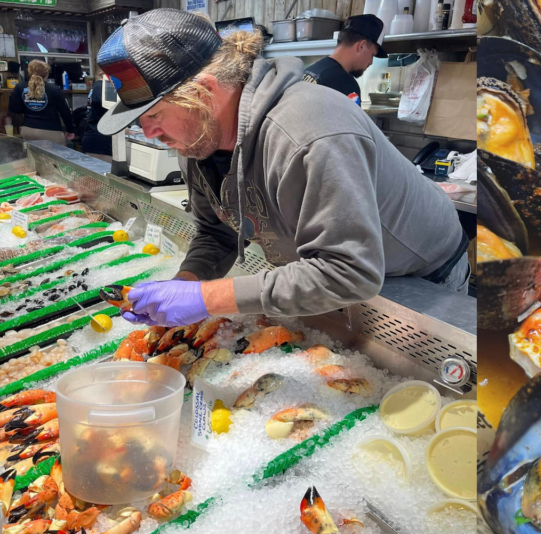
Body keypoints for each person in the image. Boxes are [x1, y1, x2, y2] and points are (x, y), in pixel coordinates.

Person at [95, 9, 468, 327]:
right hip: (340, 271)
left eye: (155, 115)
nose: (149, 132)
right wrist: (185, 285)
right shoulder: (197, 139)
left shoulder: (309, 133)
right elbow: (219, 232)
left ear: (206, 92)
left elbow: (349, 272)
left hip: (421, 274)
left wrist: (208, 298)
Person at [301, 14, 387, 106]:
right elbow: (350, 121)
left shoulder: (311, 70)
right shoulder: (343, 83)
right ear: (361, 46)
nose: (371, 61)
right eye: (372, 54)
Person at [9, 60, 74, 145]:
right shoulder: (54, 89)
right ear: (46, 73)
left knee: (33, 157)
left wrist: (30, 106)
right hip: (51, 131)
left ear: (29, 72)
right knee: (55, 158)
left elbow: (15, 109)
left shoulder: (20, 87)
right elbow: (65, 112)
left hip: (28, 130)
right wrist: (70, 130)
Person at [80, 82, 113, 161]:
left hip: (92, 136)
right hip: (101, 141)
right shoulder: (104, 86)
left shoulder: (96, 86)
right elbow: (111, 112)